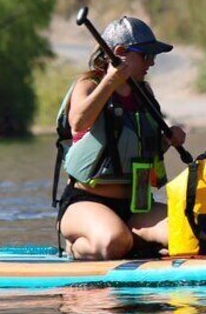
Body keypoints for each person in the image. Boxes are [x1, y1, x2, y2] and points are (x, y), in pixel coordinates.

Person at [56, 16, 187, 261]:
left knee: (188, 234)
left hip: (137, 206)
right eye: (146, 56)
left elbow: (138, 150)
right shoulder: (88, 84)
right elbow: (79, 122)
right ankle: (77, 247)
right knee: (114, 241)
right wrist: (111, 80)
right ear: (120, 53)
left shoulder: (144, 92)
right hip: (86, 202)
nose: (152, 63)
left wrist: (169, 140)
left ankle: (132, 241)